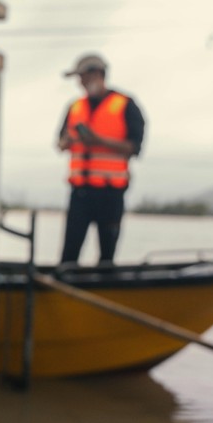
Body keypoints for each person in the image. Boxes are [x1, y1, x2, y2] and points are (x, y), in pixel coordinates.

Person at [56, 53, 146, 265]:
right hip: (80, 193)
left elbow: (134, 147)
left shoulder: (126, 105)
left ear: (97, 74)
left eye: (83, 77)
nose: (80, 83)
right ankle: (63, 291)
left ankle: (103, 289)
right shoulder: (74, 107)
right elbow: (60, 143)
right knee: (69, 255)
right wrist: (67, 141)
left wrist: (98, 140)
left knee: (106, 256)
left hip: (110, 193)